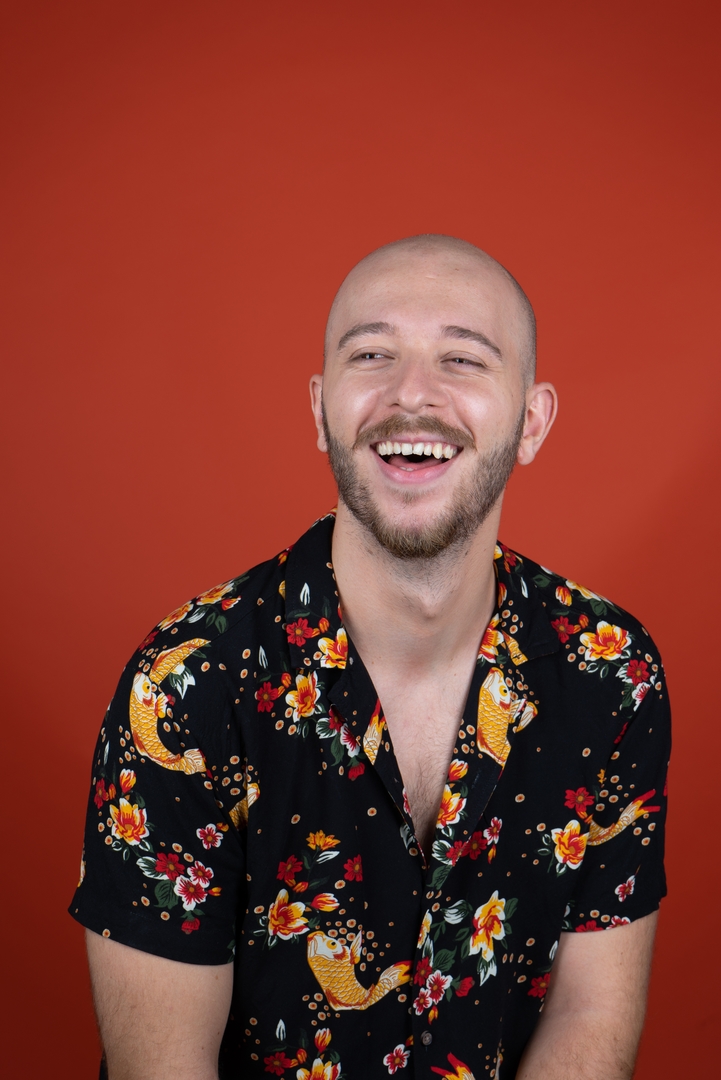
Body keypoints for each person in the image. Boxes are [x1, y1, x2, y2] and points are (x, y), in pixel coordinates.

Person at [71, 235, 670, 1080]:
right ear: (321, 410)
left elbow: (590, 1013)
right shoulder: (185, 686)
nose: (411, 393)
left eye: (462, 358)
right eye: (371, 354)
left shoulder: (612, 675)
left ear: (531, 423)